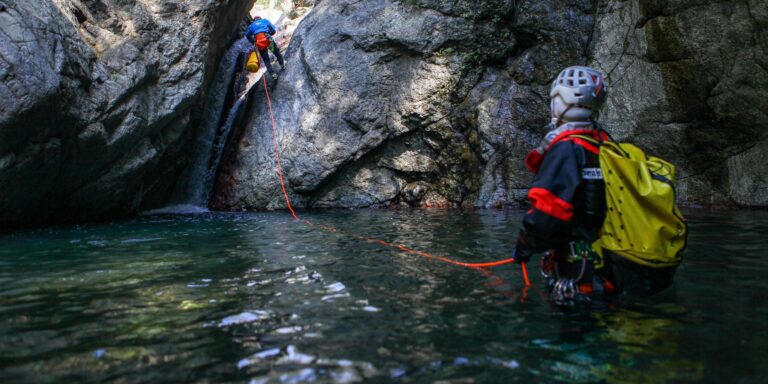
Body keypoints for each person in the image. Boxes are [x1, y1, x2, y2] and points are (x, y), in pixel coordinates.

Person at [511, 66, 676, 301]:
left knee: (576, 331)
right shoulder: (604, 145)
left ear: (559, 101)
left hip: (579, 274)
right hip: (609, 267)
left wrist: (524, 247)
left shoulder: (566, 149)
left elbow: (547, 213)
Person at [244, 15, 285, 80]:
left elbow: (247, 35)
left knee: (266, 59)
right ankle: (282, 65)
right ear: (260, 18)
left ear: (254, 20)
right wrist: (269, 34)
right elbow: (273, 30)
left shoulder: (251, 25)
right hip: (268, 39)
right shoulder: (264, 21)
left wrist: (253, 41)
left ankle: (273, 75)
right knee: (276, 52)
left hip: (259, 43)